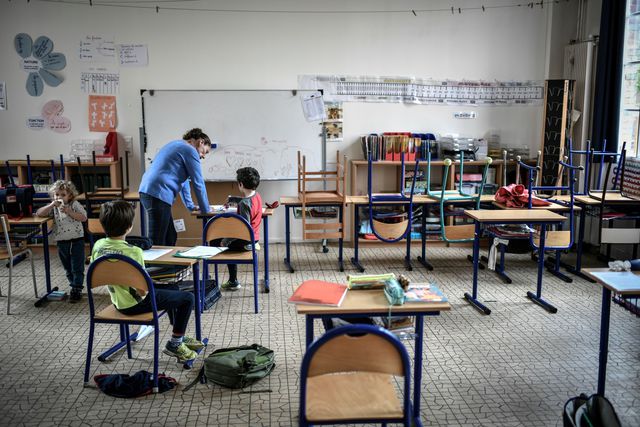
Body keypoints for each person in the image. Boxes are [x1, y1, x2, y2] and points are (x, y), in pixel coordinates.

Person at [90, 200, 204, 363]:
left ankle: (180, 335)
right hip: (136, 304)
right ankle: (175, 344)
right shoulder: (134, 252)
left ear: (102, 224)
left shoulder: (98, 246)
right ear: (129, 227)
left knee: (172, 287)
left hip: (118, 301)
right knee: (187, 298)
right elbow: (143, 290)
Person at [139, 128, 212, 246]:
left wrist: (190, 206)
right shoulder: (190, 150)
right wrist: (206, 211)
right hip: (157, 194)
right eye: (205, 152)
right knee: (156, 241)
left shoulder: (177, 145)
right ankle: (152, 264)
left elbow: (184, 183)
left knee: (170, 236)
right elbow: (198, 182)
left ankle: (167, 264)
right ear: (201, 142)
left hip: (150, 192)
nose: (203, 156)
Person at [36, 180, 87, 302]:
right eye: (56, 195)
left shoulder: (74, 204)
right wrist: (51, 205)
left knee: (77, 266)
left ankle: (77, 288)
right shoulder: (53, 207)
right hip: (62, 241)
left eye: (63, 194)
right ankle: (73, 285)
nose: (59, 197)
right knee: (67, 267)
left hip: (77, 240)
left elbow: (84, 217)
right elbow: (39, 213)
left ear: (69, 195)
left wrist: (69, 212)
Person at [214, 167, 263, 291]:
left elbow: (242, 229)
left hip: (246, 240)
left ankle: (233, 280)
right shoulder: (257, 196)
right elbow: (248, 202)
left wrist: (226, 240)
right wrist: (234, 200)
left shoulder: (244, 204)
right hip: (254, 237)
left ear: (240, 184)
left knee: (216, 241)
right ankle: (232, 280)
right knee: (226, 238)